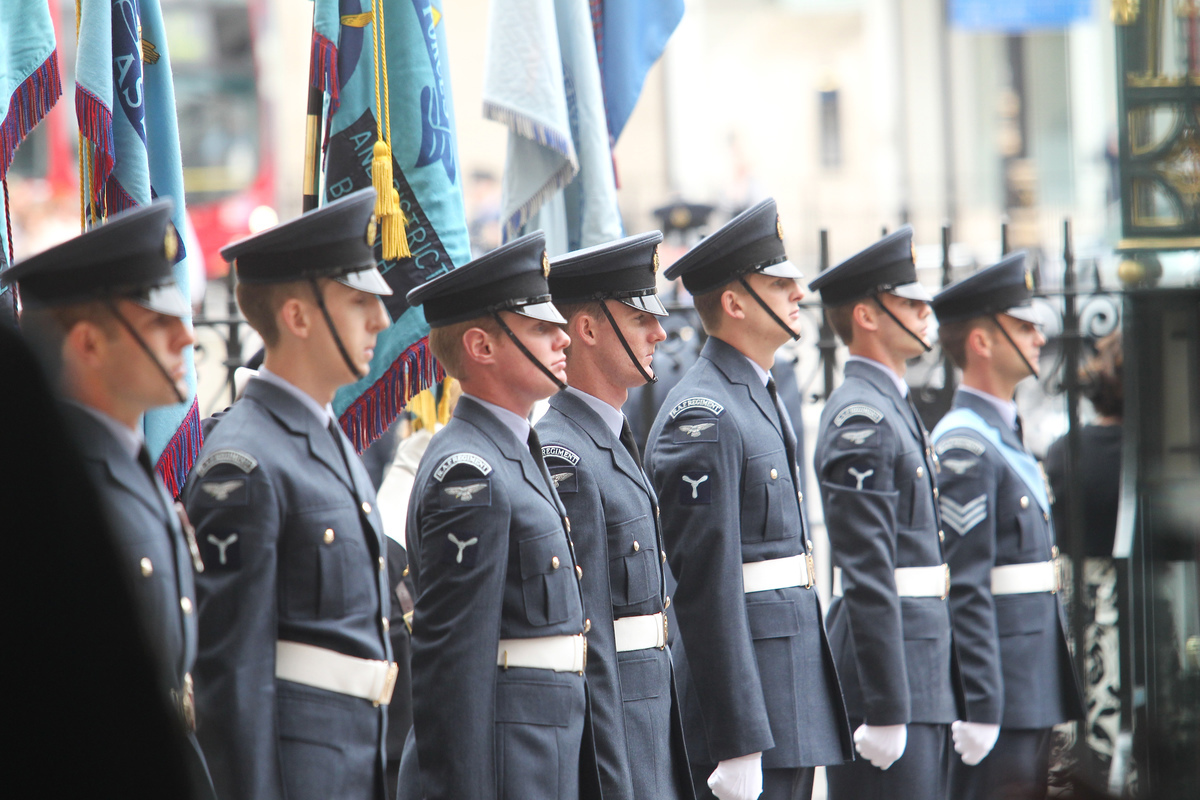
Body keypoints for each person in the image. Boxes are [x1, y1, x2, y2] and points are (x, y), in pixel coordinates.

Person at [183, 188, 396, 800]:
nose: (381, 320)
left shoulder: (326, 439)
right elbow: (232, 682)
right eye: (359, 303)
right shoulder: (243, 463)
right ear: (299, 318)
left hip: (352, 760)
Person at [2, 200, 215, 800]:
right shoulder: (59, 497)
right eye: (156, 323)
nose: (187, 334)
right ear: (89, 345)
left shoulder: (127, 465)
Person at [645, 198, 852, 800]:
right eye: (779, 283)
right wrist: (736, 735)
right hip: (750, 706)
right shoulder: (704, 414)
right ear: (734, 303)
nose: (798, 293)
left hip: (783, 691)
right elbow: (706, 587)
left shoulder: (752, 392)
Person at [400, 231, 601, 800]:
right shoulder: (470, 470)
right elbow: (451, 668)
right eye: (541, 327)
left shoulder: (514, 449)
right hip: (506, 765)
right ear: (481, 347)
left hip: (543, 753)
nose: (564, 337)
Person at [536, 231, 694, 800]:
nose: (660, 331)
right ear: (586, 328)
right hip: (621, 746)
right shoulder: (566, 456)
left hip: (649, 725)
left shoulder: (608, 439)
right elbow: (592, 642)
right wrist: (614, 781)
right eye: (639, 318)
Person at [809, 226, 961, 799]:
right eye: (909, 301)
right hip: (891, 677)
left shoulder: (887, 405)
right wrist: (887, 706)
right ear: (867, 316)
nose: (927, 312)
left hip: (918, 668)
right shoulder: (862, 419)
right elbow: (869, 568)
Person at [931, 253, 1084, 799]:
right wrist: (980, 703)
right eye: (1023, 326)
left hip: (1028, 681)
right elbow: (966, 584)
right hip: (1000, 692)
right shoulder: (965, 445)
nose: (1040, 337)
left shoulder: (1000, 432)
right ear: (981, 342)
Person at [1044, 331, 1123, 781]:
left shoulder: (1064, 450)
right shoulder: (1142, 452)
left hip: (1076, 605)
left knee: (1078, 739)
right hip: (1131, 602)